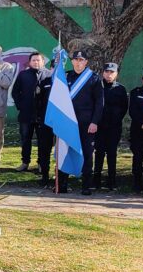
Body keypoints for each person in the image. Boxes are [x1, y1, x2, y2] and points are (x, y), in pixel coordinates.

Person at [57, 51, 103, 195]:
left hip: (86, 124)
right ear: (72, 61)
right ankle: (62, 184)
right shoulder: (65, 76)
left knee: (87, 153)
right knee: (65, 151)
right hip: (68, 122)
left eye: (81, 60)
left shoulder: (93, 78)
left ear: (86, 62)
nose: (78, 62)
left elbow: (99, 103)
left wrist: (94, 122)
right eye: (76, 60)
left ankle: (86, 186)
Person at [11, 52, 49, 172]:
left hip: (43, 115)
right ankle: (25, 162)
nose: (36, 62)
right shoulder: (23, 75)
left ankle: (41, 163)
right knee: (25, 139)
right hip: (26, 114)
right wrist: (20, 106)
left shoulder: (49, 75)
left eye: (38, 60)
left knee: (43, 141)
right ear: (30, 62)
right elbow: (15, 92)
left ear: (43, 61)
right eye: (33, 60)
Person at [93, 63, 128, 190]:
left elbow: (124, 107)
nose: (109, 75)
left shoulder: (121, 89)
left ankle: (111, 182)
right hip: (99, 127)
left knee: (112, 153)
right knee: (99, 153)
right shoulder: (97, 86)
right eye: (107, 72)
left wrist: (116, 119)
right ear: (103, 73)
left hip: (114, 127)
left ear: (116, 74)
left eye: (112, 72)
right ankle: (96, 181)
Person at [35, 72, 55, 186]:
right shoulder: (44, 82)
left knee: (61, 150)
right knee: (44, 149)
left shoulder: (66, 82)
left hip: (61, 122)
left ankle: (61, 177)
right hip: (46, 120)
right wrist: (39, 117)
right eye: (53, 67)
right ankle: (45, 176)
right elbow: (38, 100)